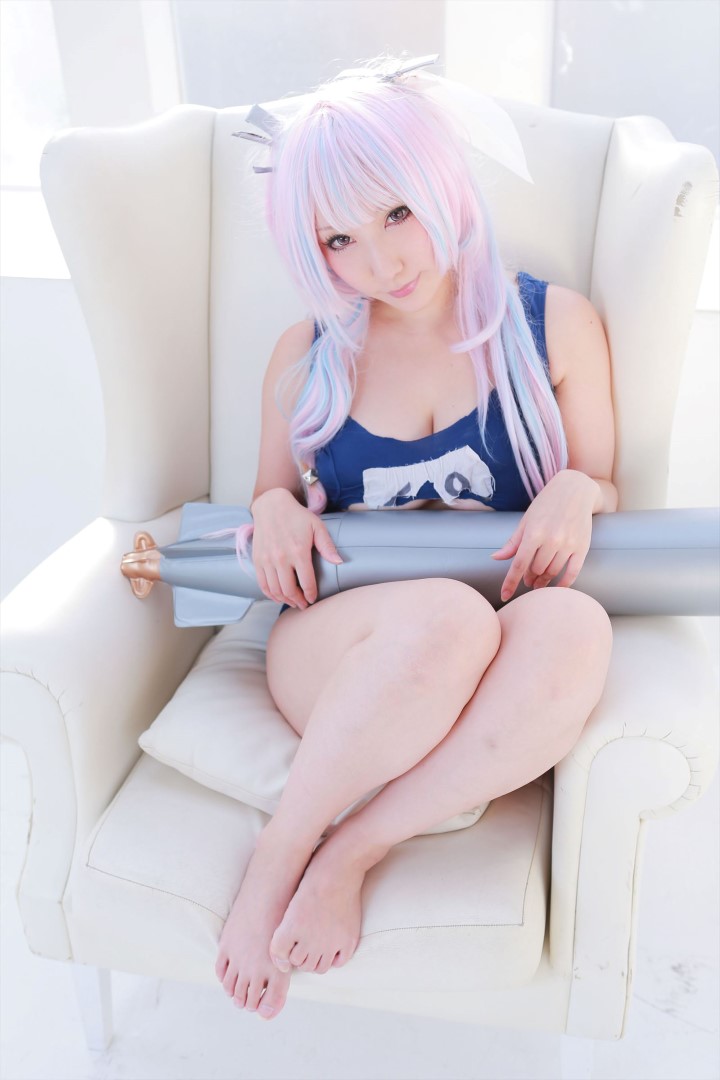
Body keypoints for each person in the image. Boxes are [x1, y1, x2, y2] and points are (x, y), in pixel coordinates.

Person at [214, 55, 616, 1021]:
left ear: (440, 182)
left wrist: (579, 487)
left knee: (577, 629)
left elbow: (604, 480)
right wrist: (274, 508)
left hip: (499, 637)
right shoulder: (309, 355)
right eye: (340, 239)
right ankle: (280, 853)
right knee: (442, 616)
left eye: (397, 213)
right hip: (346, 648)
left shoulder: (553, 326)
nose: (383, 262)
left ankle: (351, 850)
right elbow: (271, 496)